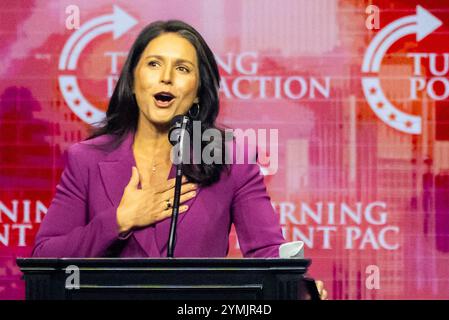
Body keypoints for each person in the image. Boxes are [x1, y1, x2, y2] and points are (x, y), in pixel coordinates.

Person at [31, 20, 327, 298]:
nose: (166, 77)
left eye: (182, 69)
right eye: (154, 64)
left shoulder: (232, 160)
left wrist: (299, 287)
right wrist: (119, 221)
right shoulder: (87, 160)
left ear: (198, 92)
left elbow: (268, 253)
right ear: (133, 82)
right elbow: (44, 259)